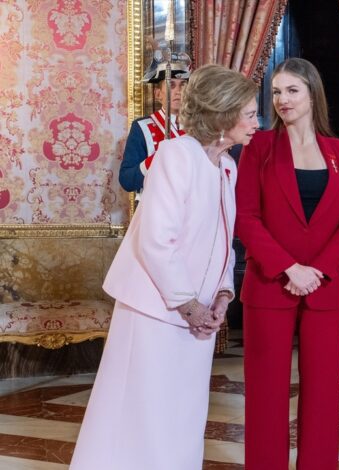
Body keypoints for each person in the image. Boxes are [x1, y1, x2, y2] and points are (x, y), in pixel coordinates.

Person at [70, 64, 259, 470]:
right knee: (146, 411)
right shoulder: (176, 155)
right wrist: (189, 306)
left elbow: (223, 240)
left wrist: (223, 294)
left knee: (183, 412)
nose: (256, 123)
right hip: (156, 310)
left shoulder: (227, 166)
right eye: (250, 114)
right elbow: (158, 241)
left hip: (198, 313)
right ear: (224, 114)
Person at [235, 57, 339, 470]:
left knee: (324, 393)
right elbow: (246, 217)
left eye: (292, 90)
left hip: (324, 289)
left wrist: (318, 270)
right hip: (270, 285)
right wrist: (290, 268)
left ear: (312, 94)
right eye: (276, 92)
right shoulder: (258, 147)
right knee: (266, 392)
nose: (282, 99)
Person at [119, 53, 191, 194]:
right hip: (155, 206)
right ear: (158, 94)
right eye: (171, 85)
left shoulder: (200, 127)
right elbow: (127, 181)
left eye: (183, 85)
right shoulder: (142, 127)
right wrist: (158, 158)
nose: (178, 92)